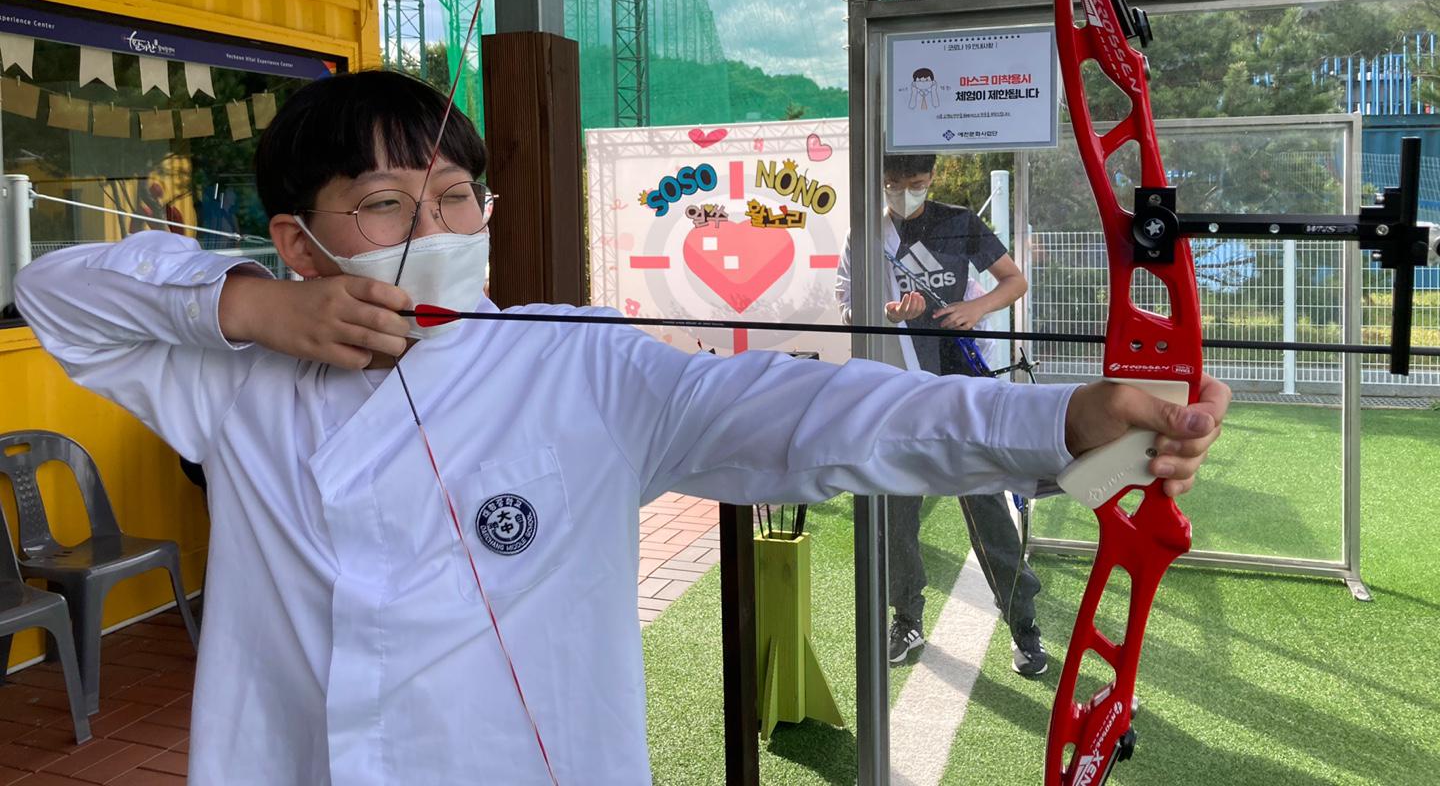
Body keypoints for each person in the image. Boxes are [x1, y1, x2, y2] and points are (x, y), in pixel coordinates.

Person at [14, 71, 1228, 784]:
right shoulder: (237, 377)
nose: (437, 228)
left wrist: (1055, 420)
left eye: (457, 197)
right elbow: (56, 290)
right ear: (299, 239)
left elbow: (812, 414)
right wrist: (252, 308)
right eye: (385, 204)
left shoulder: (574, 362)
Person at [836, 153, 1047, 675]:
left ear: (932, 178)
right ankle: (906, 617)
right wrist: (888, 314)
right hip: (899, 391)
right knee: (896, 511)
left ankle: (1023, 624)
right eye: (893, 184)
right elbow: (846, 305)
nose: (904, 192)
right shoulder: (865, 233)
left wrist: (976, 308)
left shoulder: (959, 221)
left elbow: (1013, 281)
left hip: (959, 388)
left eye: (915, 182)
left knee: (986, 507)